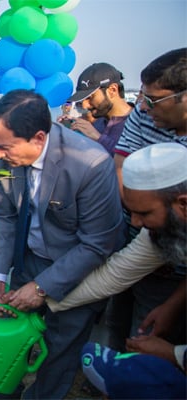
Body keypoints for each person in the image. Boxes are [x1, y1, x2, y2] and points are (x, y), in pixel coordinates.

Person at [0, 90, 126, 399]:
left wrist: (42, 287)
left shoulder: (91, 164)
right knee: (13, 334)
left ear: (39, 138)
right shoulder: (0, 154)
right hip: (28, 258)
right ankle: (2, 392)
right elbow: (4, 214)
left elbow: (97, 245)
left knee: (59, 349)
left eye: (5, 147)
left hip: (76, 270)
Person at [47, 143, 186, 334]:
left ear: (183, 203)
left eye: (144, 213)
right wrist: (41, 296)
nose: (136, 223)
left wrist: (175, 355)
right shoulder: (161, 231)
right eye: (132, 213)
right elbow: (112, 276)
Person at [108, 47, 187, 351]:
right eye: (142, 97)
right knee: (118, 315)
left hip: (173, 265)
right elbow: (120, 164)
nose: (143, 106)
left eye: (153, 100)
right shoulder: (144, 113)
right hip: (136, 238)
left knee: (149, 332)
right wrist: (138, 212)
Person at [63, 63, 133, 156]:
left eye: (90, 97)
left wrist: (98, 138)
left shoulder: (138, 123)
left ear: (112, 90)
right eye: (82, 100)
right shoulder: (98, 122)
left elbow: (134, 163)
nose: (85, 106)